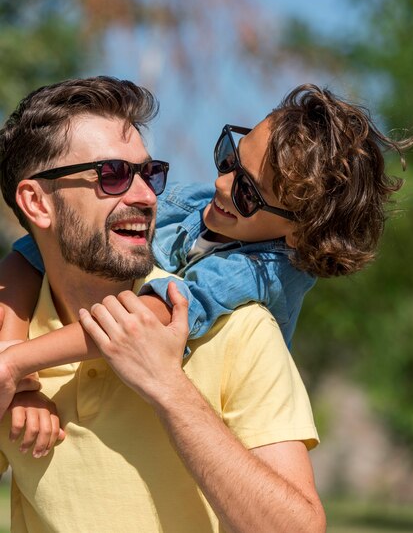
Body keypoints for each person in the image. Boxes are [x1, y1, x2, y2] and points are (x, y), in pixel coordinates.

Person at [0, 81, 413, 453]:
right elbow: (27, 252)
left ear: (299, 235)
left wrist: (19, 363)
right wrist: (17, 365)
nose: (222, 185)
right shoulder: (194, 203)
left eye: (248, 193)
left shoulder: (262, 270)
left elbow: (152, 317)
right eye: (230, 159)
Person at [0, 76, 326, 532]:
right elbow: (23, 254)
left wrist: (169, 390)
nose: (146, 195)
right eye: (112, 174)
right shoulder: (12, 325)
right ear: (36, 203)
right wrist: (16, 377)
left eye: (148, 173)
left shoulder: (240, 326)